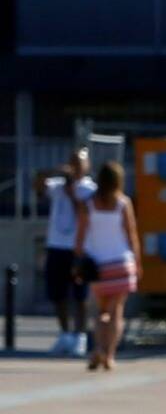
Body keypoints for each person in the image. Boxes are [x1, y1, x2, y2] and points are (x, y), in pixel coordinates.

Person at [74, 160, 141, 373]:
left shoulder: (88, 204)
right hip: (121, 263)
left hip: (98, 266)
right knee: (116, 312)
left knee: (100, 312)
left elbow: (80, 238)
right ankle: (110, 355)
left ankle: (98, 348)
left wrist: (77, 262)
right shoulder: (123, 203)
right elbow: (132, 236)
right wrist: (137, 263)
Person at [39, 147, 95, 356]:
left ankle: (80, 337)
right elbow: (38, 184)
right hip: (56, 246)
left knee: (80, 296)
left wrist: (72, 191)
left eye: (79, 163)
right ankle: (64, 335)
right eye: (72, 163)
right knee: (57, 294)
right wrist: (52, 172)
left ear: (87, 166)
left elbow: (83, 212)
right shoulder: (57, 186)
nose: (75, 167)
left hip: (79, 249)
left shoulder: (89, 189)